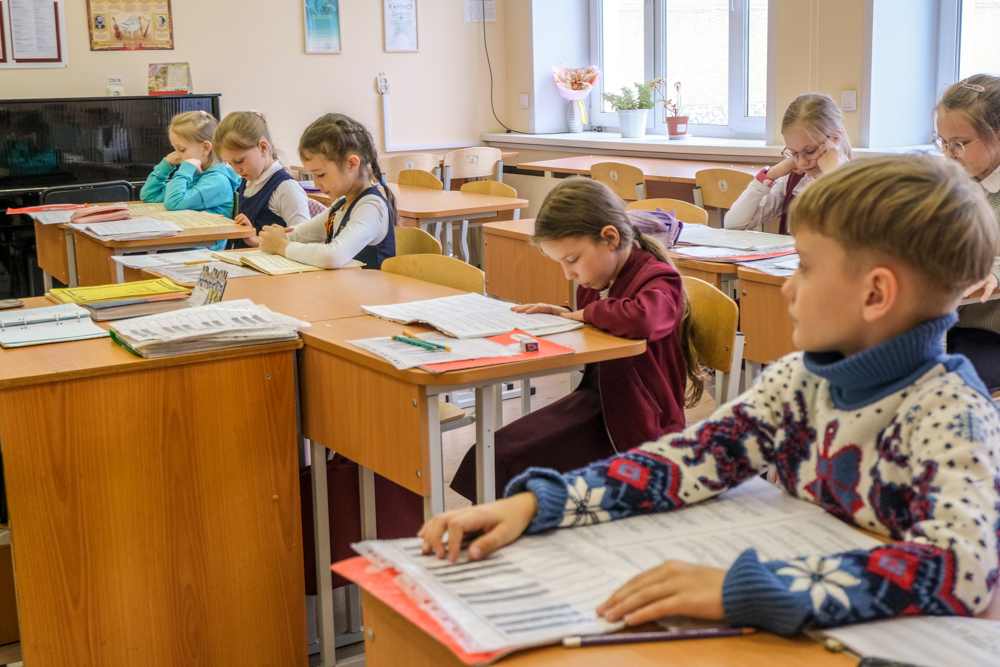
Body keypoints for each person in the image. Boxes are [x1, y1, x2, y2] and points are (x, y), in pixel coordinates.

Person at [422, 155, 1000, 636]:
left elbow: (963, 568)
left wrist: (749, 590)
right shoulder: (798, 383)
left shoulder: (953, 414)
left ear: (875, 294)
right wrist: (540, 503)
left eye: (805, 266)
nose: (787, 287)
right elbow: (687, 459)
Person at [450, 178, 703, 501]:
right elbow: (604, 323)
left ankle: (516, 525)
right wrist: (564, 315)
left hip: (639, 425)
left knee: (507, 464)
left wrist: (585, 314)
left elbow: (642, 318)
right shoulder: (600, 277)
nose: (568, 274)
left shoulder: (658, 277)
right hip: (601, 405)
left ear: (610, 238)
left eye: (571, 260)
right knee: (490, 455)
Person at [258, 113, 396, 269]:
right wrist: (274, 237)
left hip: (369, 285)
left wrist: (282, 246)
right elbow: (301, 233)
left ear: (351, 164)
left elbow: (332, 256)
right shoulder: (341, 205)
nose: (316, 184)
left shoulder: (371, 207)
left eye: (321, 175)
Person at [935, 74, 1000, 391]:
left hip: (990, 333)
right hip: (947, 323)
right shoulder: (955, 183)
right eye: (943, 142)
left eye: (959, 143)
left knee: (939, 386)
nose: (949, 153)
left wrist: (995, 273)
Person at [726, 93, 851, 234]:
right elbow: (733, 225)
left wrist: (834, 176)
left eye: (810, 151)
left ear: (836, 138)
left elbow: (850, 232)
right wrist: (769, 175)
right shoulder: (794, 178)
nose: (802, 162)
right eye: (794, 153)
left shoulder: (856, 183)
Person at [214, 110, 311, 248]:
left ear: (263, 148)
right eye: (230, 163)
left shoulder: (286, 188)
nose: (236, 170)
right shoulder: (248, 181)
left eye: (239, 161)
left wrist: (255, 240)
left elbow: (303, 241)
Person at [140, 110, 240, 217]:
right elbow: (149, 196)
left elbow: (173, 203)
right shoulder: (194, 175)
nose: (177, 156)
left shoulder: (218, 180)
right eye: (175, 149)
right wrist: (166, 166)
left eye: (182, 149)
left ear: (205, 148)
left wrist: (186, 169)